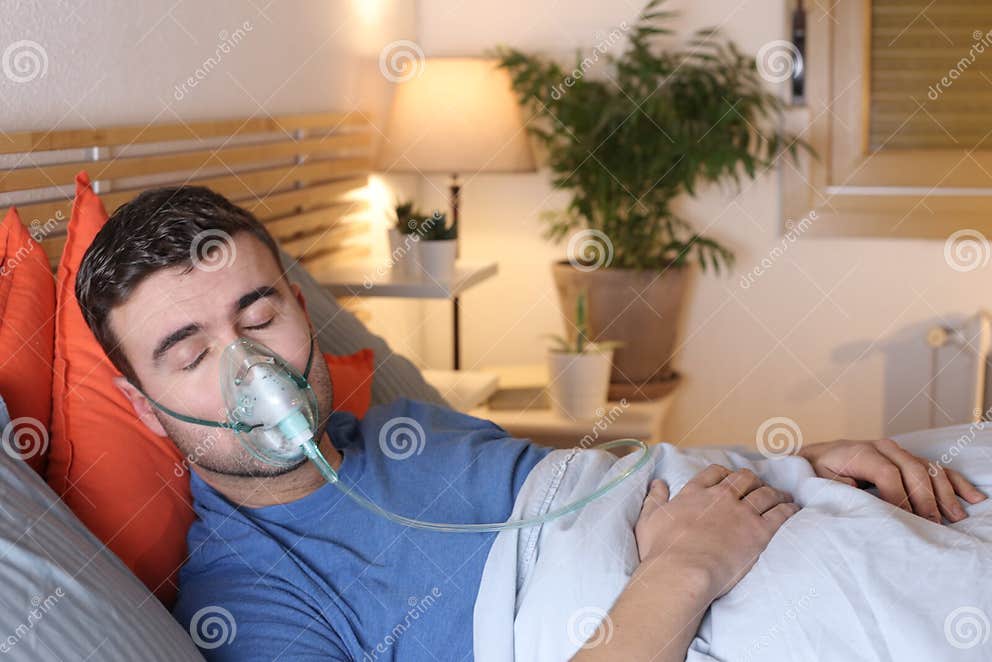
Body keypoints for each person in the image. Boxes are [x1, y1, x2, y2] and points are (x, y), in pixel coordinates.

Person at [75, 186, 988, 661]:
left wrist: (790, 461)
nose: (251, 370)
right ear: (138, 406)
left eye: (260, 313)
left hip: (742, 515)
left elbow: (599, 484)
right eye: (191, 355)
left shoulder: (406, 429)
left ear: (304, 311)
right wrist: (685, 566)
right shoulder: (246, 600)